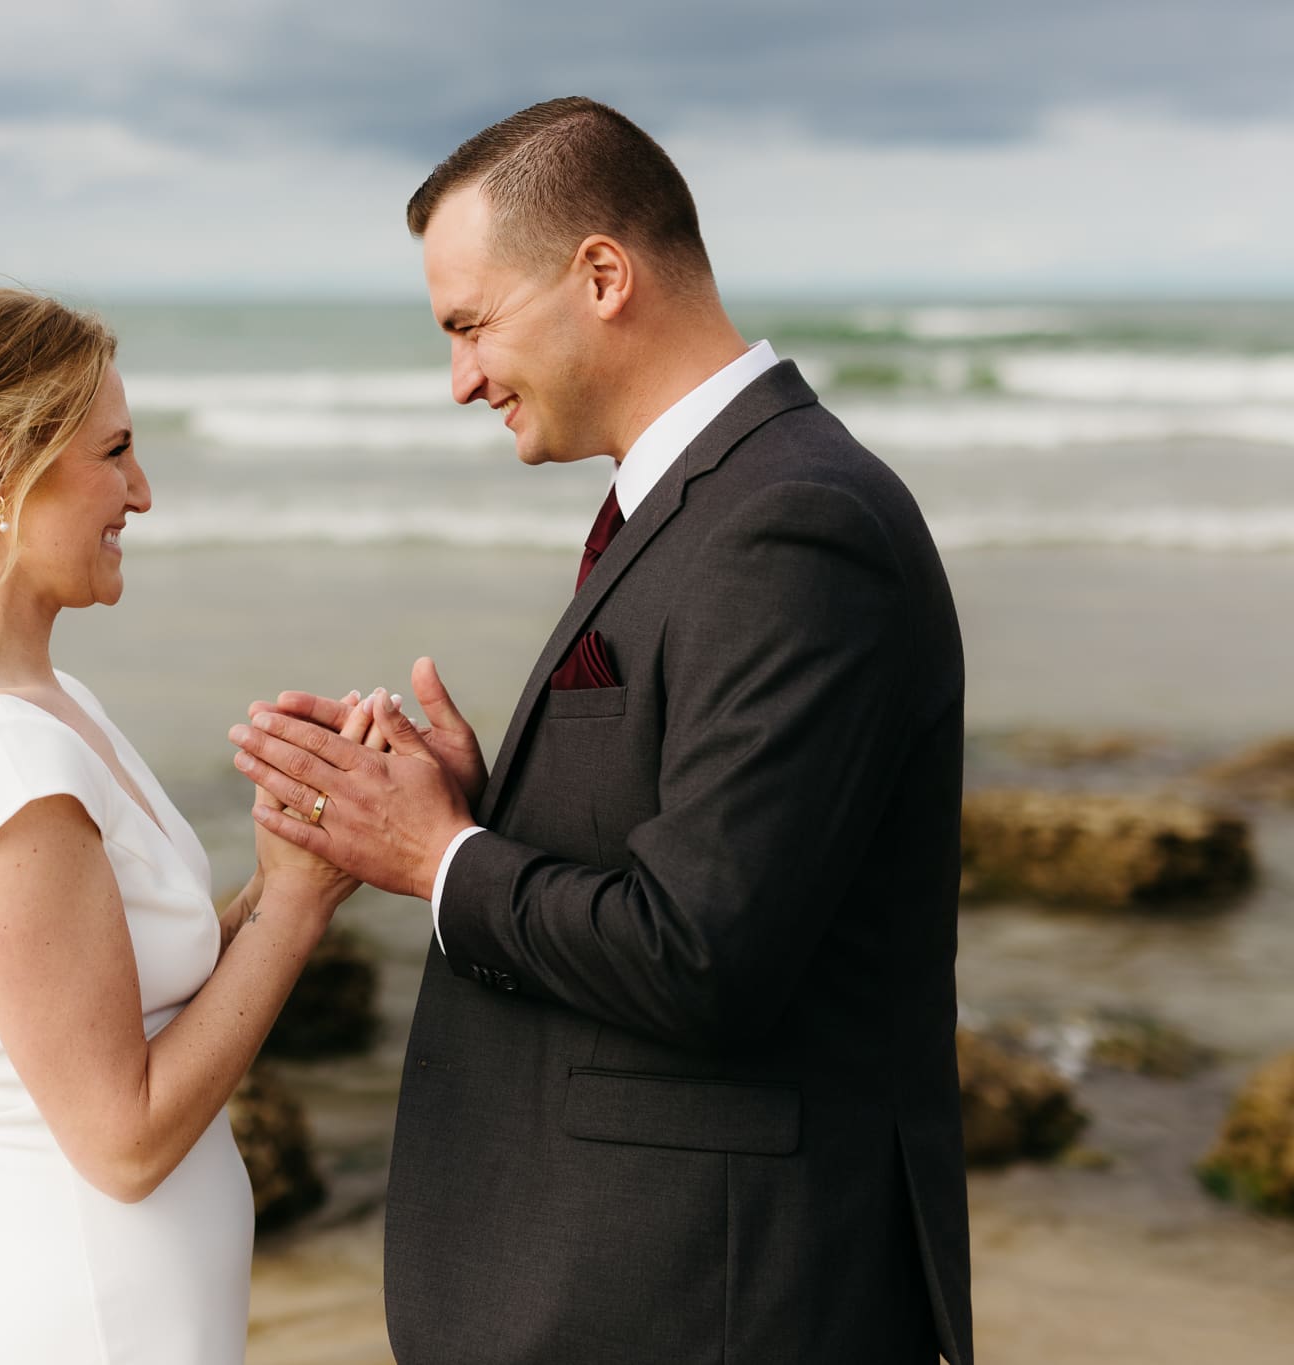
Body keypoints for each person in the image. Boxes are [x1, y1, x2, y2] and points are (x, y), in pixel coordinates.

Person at [229, 98, 972, 1364]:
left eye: (469, 326)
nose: (459, 379)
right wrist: (480, 807)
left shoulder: (793, 524)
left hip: (720, 1299)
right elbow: (688, 843)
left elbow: (703, 952)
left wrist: (437, 859)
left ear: (601, 275)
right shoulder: (704, 500)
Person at [0, 284, 375, 1363]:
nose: (140, 492)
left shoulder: (42, 710)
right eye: (116, 452)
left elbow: (135, 1001)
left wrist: (290, 852)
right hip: (87, 1324)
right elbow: (122, 1142)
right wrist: (294, 911)